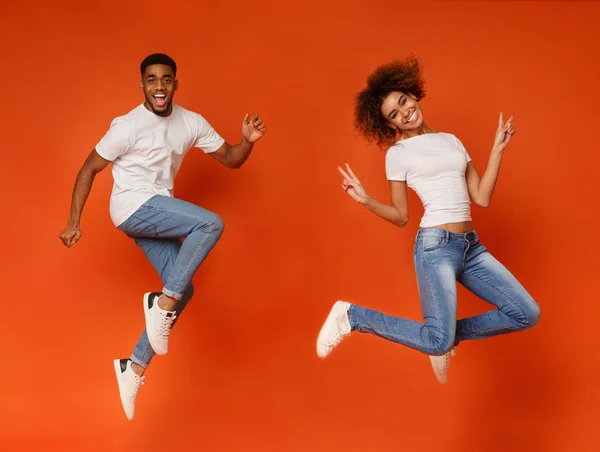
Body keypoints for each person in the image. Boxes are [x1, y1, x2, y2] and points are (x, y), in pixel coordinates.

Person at [58, 53, 266, 419]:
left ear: (175, 84)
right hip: (132, 206)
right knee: (211, 224)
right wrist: (74, 221)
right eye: (151, 80)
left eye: (166, 80)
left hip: (158, 211)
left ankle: (133, 366)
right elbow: (89, 168)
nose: (159, 87)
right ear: (142, 85)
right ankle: (161, 302)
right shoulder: (126, 126)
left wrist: (247, 141)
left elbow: (232, 158)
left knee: (183, 290)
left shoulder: (191, 122)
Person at [316, 56, 540, 384]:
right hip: (435, 249)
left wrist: (497, 149)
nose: (405, 112)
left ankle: (445, 339)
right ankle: (351, 316)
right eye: (394, 114)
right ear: (390, 125)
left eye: (404, 101)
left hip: (470, 248)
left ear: (412, 94)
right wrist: (366, 201)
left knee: (526, 313)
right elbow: (401, 216)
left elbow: (481, 197)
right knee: (438, 339)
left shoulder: (451, 141)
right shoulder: (398, 154)